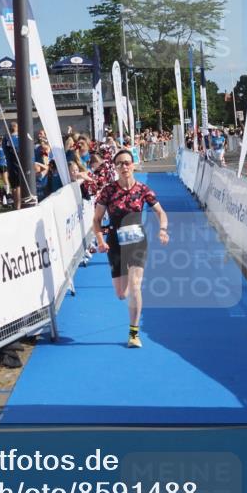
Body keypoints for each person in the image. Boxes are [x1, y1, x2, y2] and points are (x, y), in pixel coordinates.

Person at [92, 149, 169, 349]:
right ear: (115, 168)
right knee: (121, 294)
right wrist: (100, 239)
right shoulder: (108, 191)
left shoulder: (143, 189)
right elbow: (96, 219)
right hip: (115, 243)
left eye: (127, 163)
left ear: (133, 165)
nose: (124, 167)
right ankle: (125, 292)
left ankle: (134, 334)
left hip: (137, 242)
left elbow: (161, 213)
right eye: (119, 164)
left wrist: (162, 230)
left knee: (136, 285)